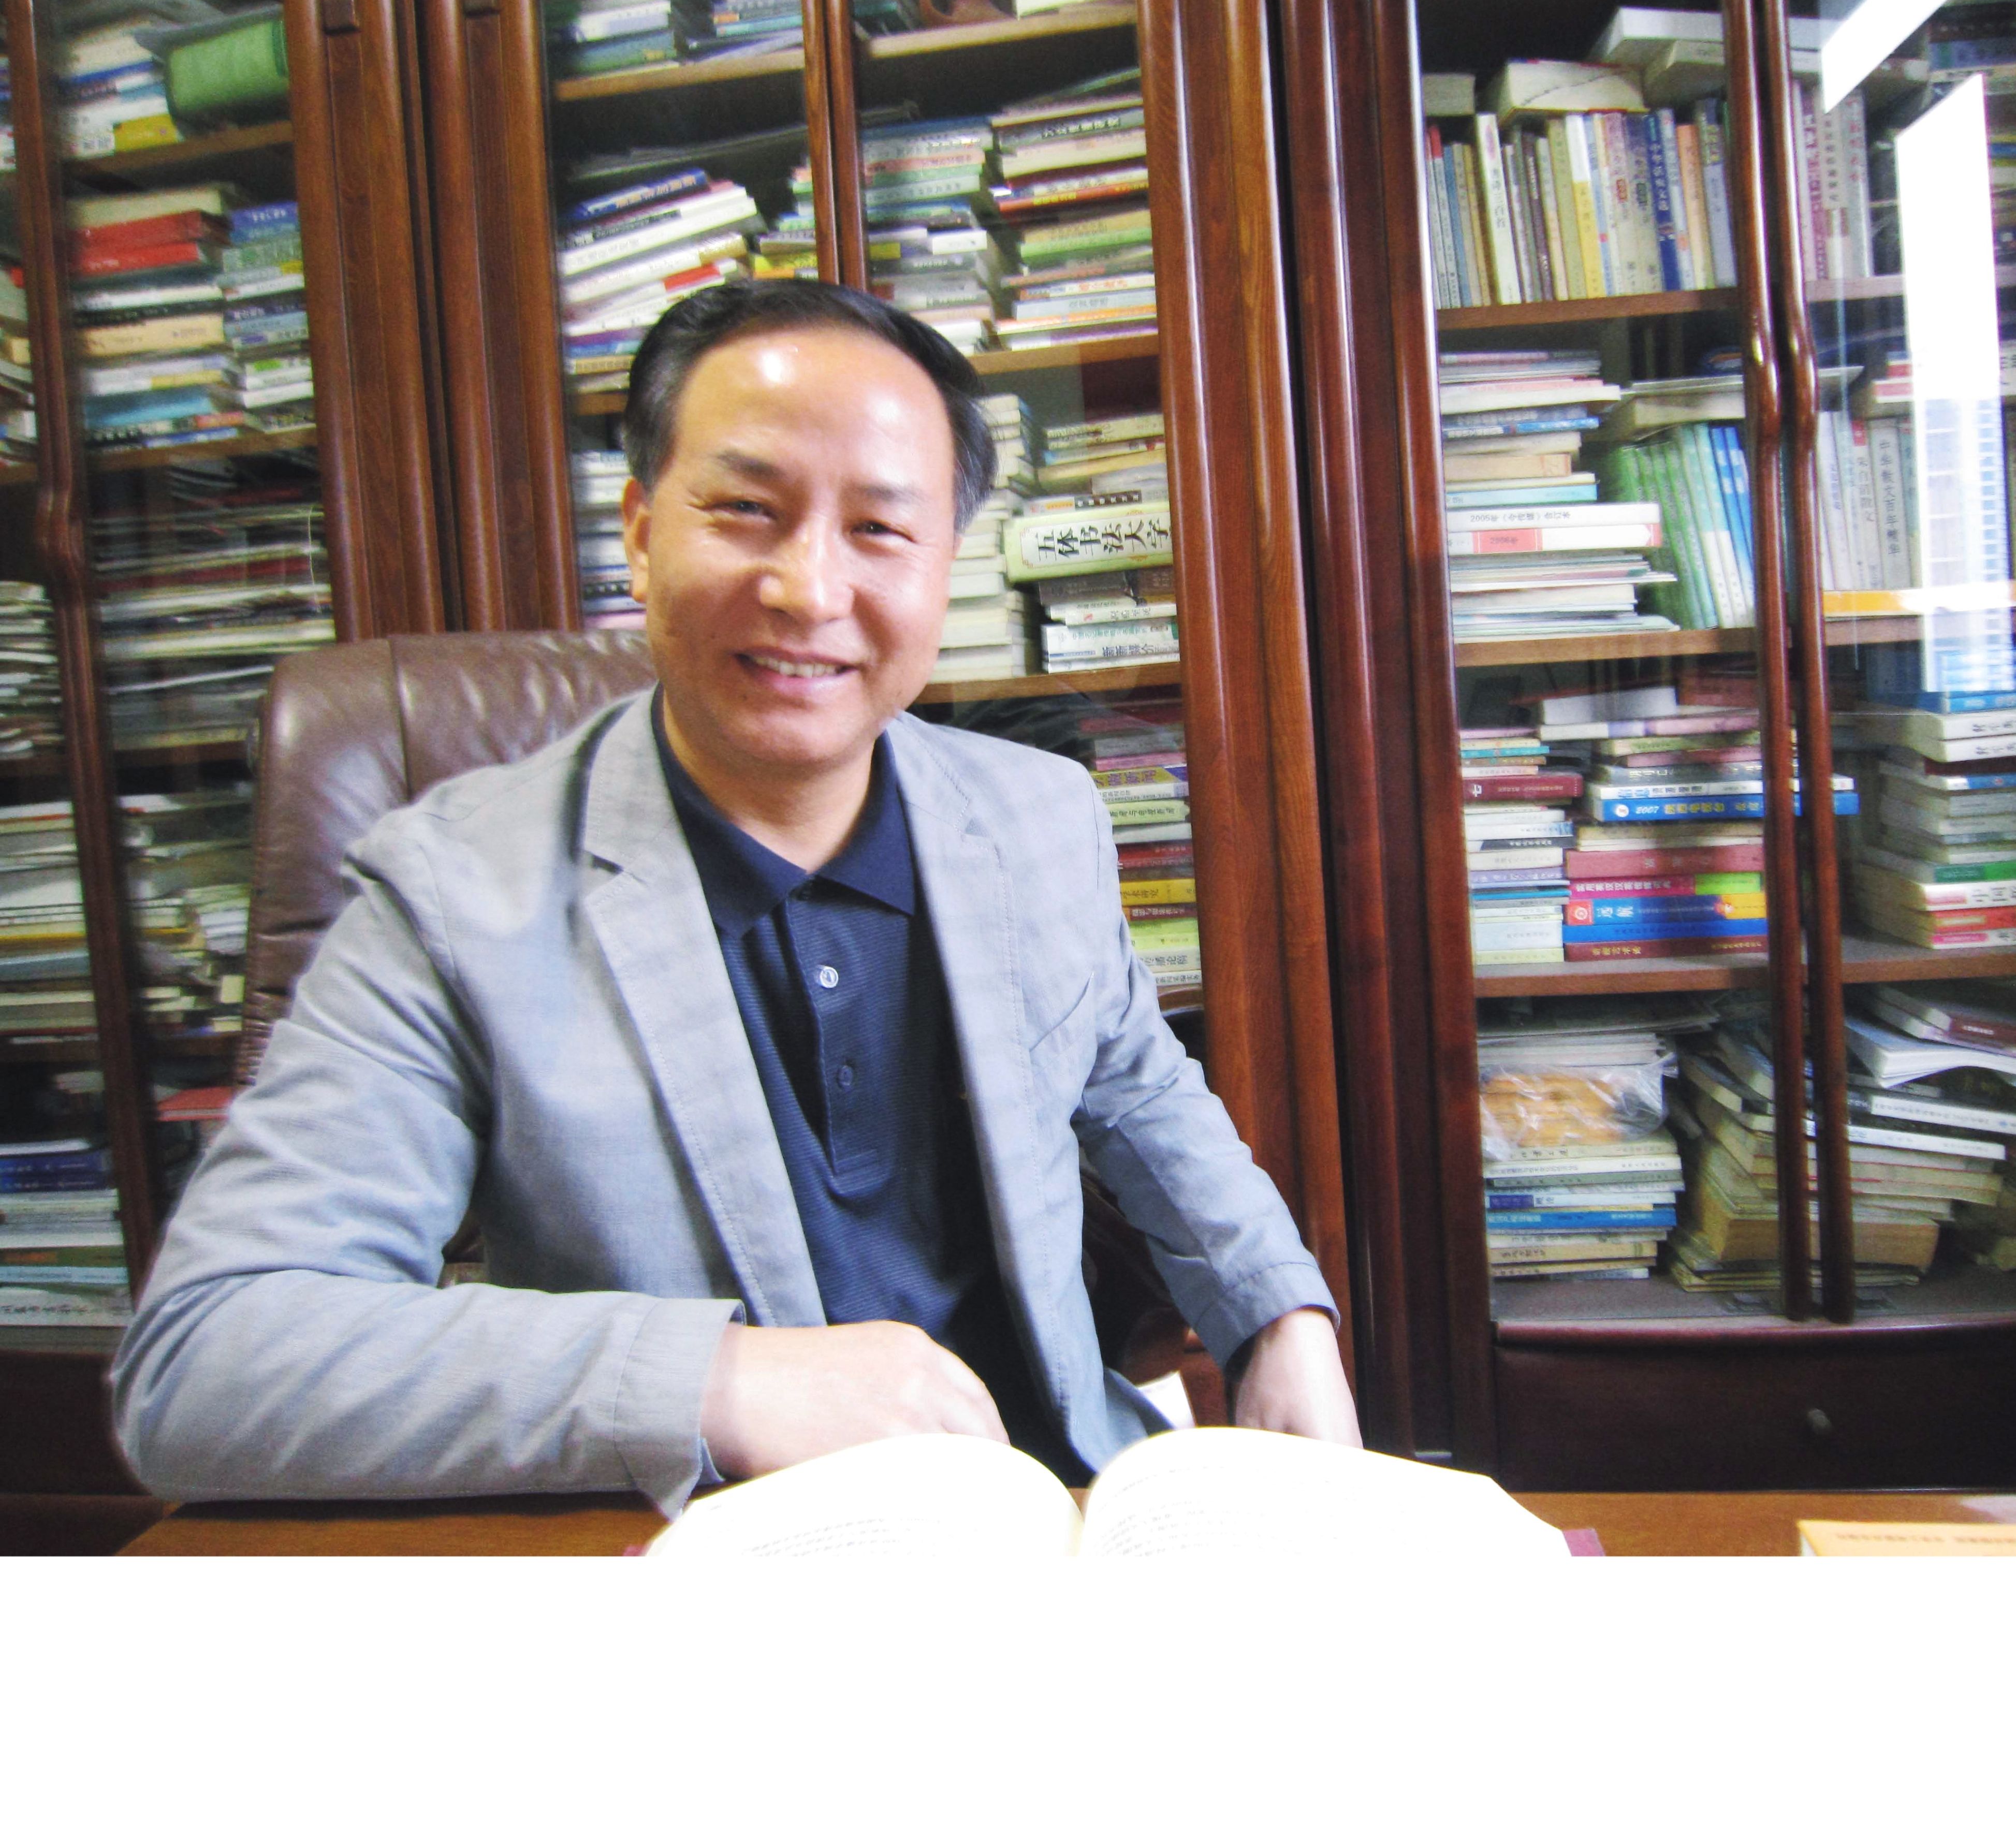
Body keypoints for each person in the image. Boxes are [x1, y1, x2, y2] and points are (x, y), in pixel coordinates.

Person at [112, 280, 1358, 1517]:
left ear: (944, 568)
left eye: (880, 529)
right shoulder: (452, 892)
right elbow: (209, 1356)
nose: (809, 590)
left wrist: (1276, 1313)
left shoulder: (1038, 814)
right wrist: (715, 1379)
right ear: (640, 532)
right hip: (719, 1545)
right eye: (747, 509)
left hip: (1049, 1510)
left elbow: (1136, 1090)